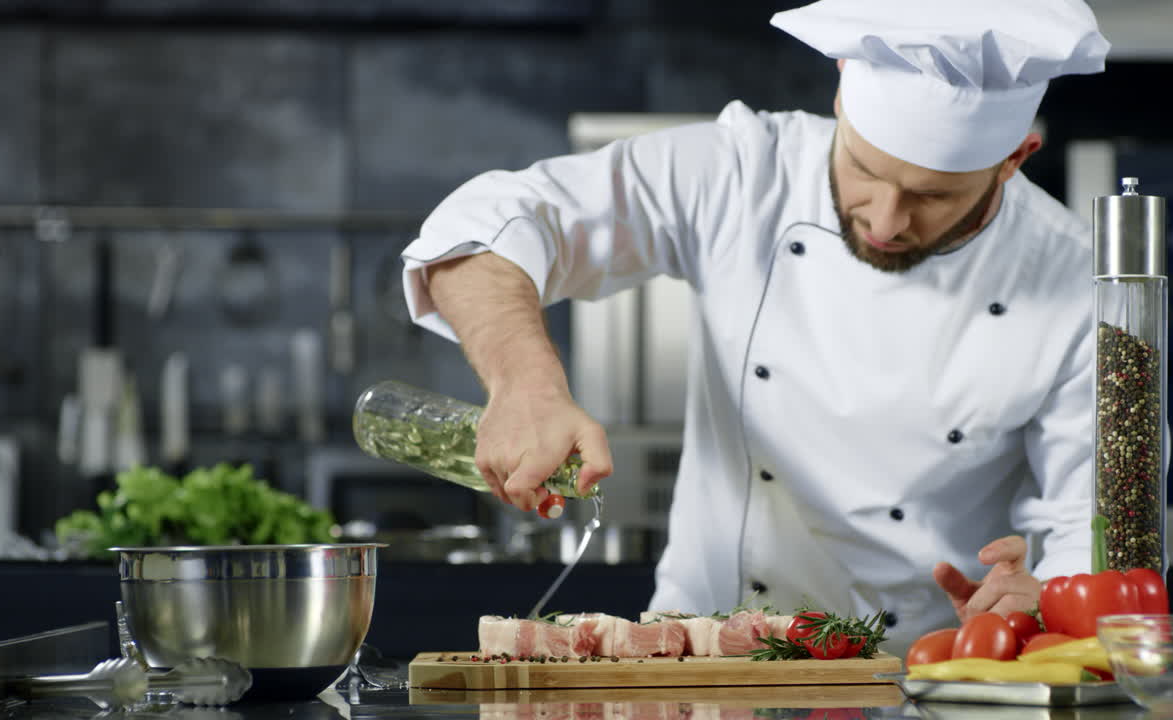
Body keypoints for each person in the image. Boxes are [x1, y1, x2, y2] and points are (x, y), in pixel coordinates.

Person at [400, 0, 1111, 651]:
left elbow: (1096, 538)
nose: (887, 220)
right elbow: (483, 227)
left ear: (1016, 159)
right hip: (698, 664)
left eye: (932, 196)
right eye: (864, 168)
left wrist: (1041, 602)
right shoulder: (746, 171)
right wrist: (525, 383)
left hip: (923, 679)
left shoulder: (1082, 284)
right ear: (838, 93)